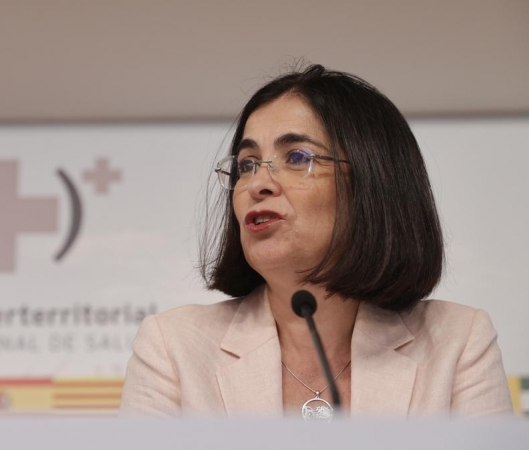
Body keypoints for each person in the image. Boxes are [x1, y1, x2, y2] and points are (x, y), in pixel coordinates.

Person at [119, 64, 513, 419]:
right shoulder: (174, 348)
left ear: (373, 182)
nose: (257, 184)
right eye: (246, 164)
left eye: (296, 157)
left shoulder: (458, 343)